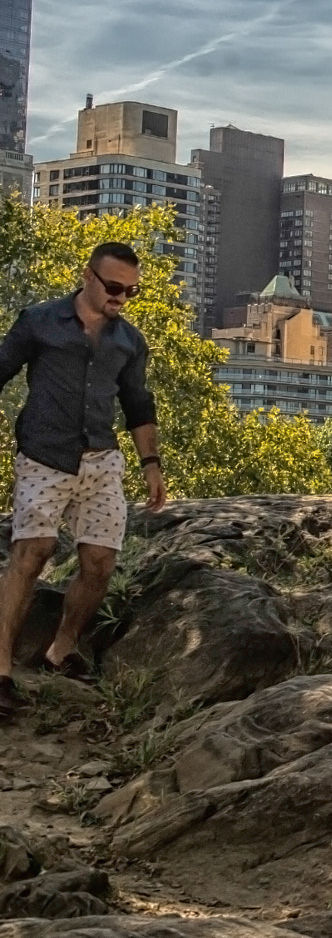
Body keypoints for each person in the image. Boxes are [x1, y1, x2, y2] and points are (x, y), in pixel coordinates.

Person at [0, 242, 164, 715]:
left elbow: (138, 405)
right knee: (31, 553)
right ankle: (2, 671)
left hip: (102, 463)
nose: (122, 299)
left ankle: (61, 650)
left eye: (131, 291)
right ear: (88, 276)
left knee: (99, 564)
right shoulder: (38, 321)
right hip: (43, 457)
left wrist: (151, 465)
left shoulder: (129, 342)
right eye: (114, 288)